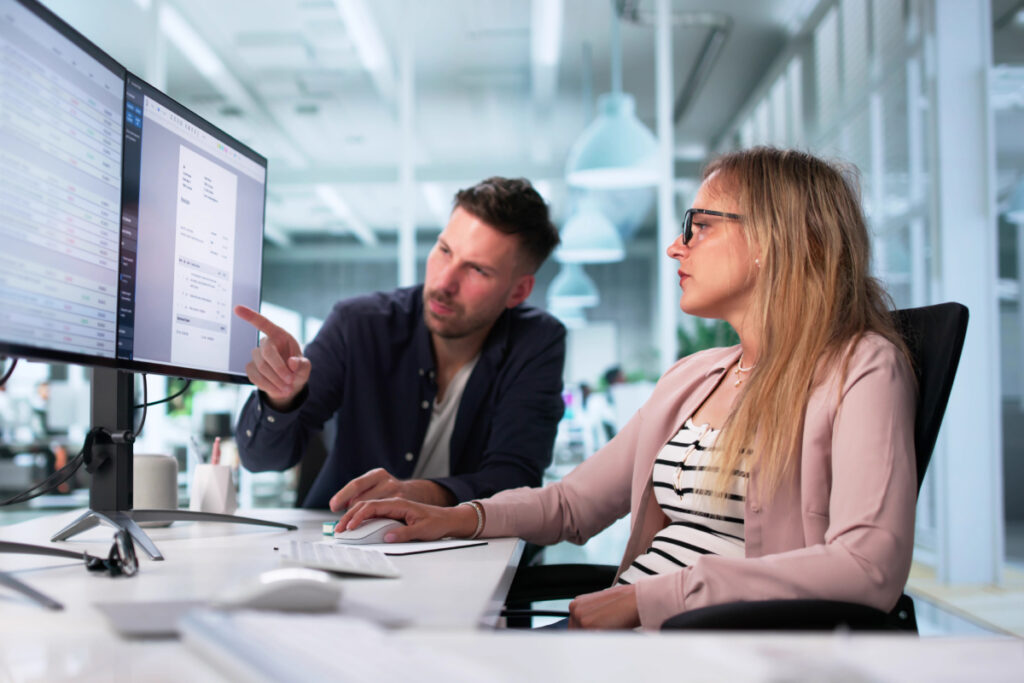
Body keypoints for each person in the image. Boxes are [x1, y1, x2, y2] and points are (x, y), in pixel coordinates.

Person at [336, 147, 918, 630]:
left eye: (701, 226)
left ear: (779, 240)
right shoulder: (694, 375)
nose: (676, 246)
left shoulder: (861, 367)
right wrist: (455, 517)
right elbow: (572, 504)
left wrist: (649, 599)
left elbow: (867, 566)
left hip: (706, 647)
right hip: (630, 631)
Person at [235, 177, 565, 510]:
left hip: (471, 552)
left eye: (477, 270)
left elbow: (516, 477)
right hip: (344, 542)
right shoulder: (358, 323)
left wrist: (421, 495)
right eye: (445, 251)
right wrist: (280, 400)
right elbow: (262, 461)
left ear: (518, 291)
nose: (444, 282)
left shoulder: (536, 342)